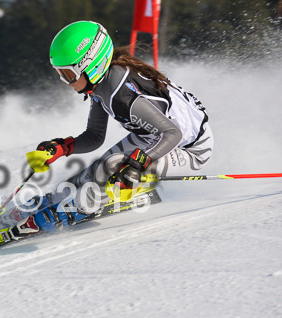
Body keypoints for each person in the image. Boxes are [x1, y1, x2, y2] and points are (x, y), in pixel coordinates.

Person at [13, 21, 214, 237]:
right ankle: (52, 201)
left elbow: (173, 133)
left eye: (69, 74)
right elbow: (94, 136)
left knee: (111, 166)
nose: (65, 81)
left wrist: (139, 163)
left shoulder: (123, 97)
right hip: (150, 136)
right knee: (93, 171)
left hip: (189, 149)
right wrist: (63, 147)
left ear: (91, 66)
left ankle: (76, 210)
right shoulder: (100, 86)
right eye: (59, 74)